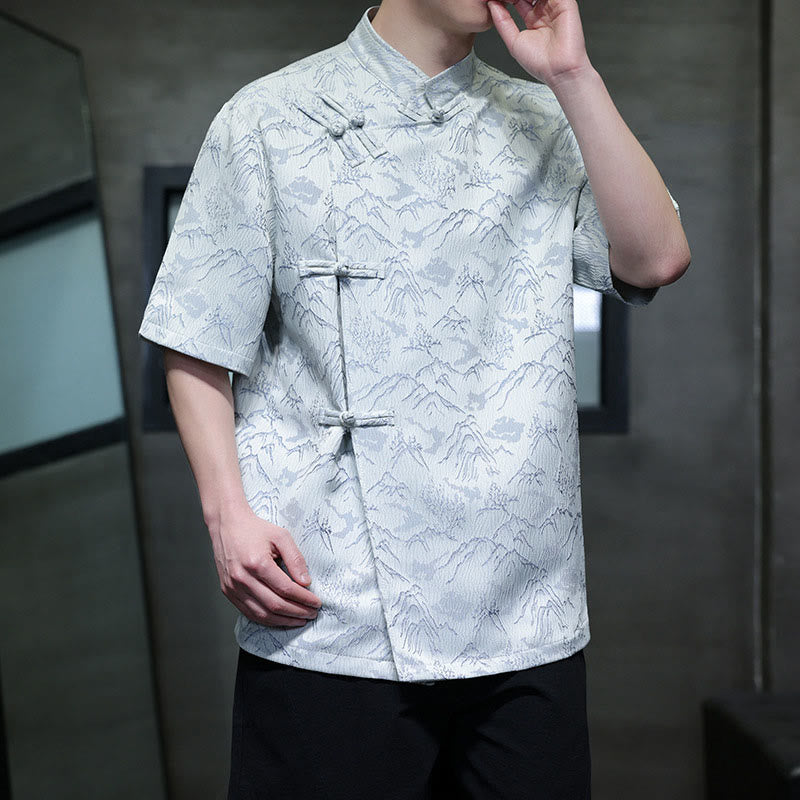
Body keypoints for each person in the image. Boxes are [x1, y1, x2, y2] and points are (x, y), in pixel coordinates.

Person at [138, 0, 691, 797]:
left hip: (523, 604)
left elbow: (657, 258)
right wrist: (229, 518)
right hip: (330, 601)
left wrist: (572, 74)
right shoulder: (268, 117)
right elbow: (196, 334)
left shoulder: (546, 115)